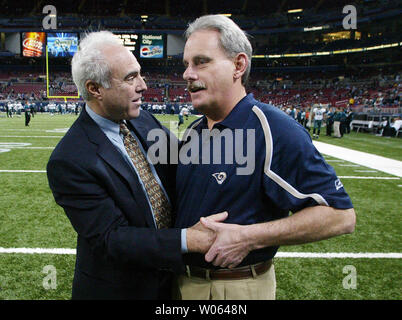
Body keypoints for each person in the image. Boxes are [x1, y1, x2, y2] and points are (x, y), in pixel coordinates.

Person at [174, 15, 355, 300]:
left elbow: (341, 216)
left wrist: (248, 237)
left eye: (201, 61)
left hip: (232, 287)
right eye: (186, 64)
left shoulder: (275, 128)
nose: (188, 74)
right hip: (180, 282)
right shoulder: (194, 130)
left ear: (238, 65)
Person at [47, 31, 225, 300]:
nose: (143, 85)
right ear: (95, 88)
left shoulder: (144, 121)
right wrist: (188, 239)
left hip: (172, 283)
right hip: (122, 290)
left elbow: (182, 166)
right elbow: (112, 238)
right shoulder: (70, 159)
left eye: (140, 74)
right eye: (130, 78)